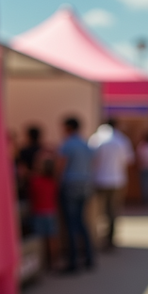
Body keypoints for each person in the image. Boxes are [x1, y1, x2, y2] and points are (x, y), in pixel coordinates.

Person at [88, 119, 133, 250]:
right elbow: (128, 161)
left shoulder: (96, 138)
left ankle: (99, 238)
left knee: (99, 212)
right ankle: (110, 239)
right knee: (113, 211)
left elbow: (91, 160)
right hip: (117, 181)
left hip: (99, 180)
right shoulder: (122, 140)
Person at [58, 117, 94, 273]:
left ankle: (73, 261)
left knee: (71, 224)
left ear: (68, 127)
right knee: (81, 221)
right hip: (85, 186)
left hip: (71, 186)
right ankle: (88, 257)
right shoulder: (85, 144)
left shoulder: (67, 144)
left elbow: (60, 166)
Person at [29, 156, 61, 271]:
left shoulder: (36, 181)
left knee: (39, 240)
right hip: (51, 212)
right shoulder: (53, 182)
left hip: (39, 213)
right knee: (52, 238)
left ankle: (40, 263)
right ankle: (54, 262)